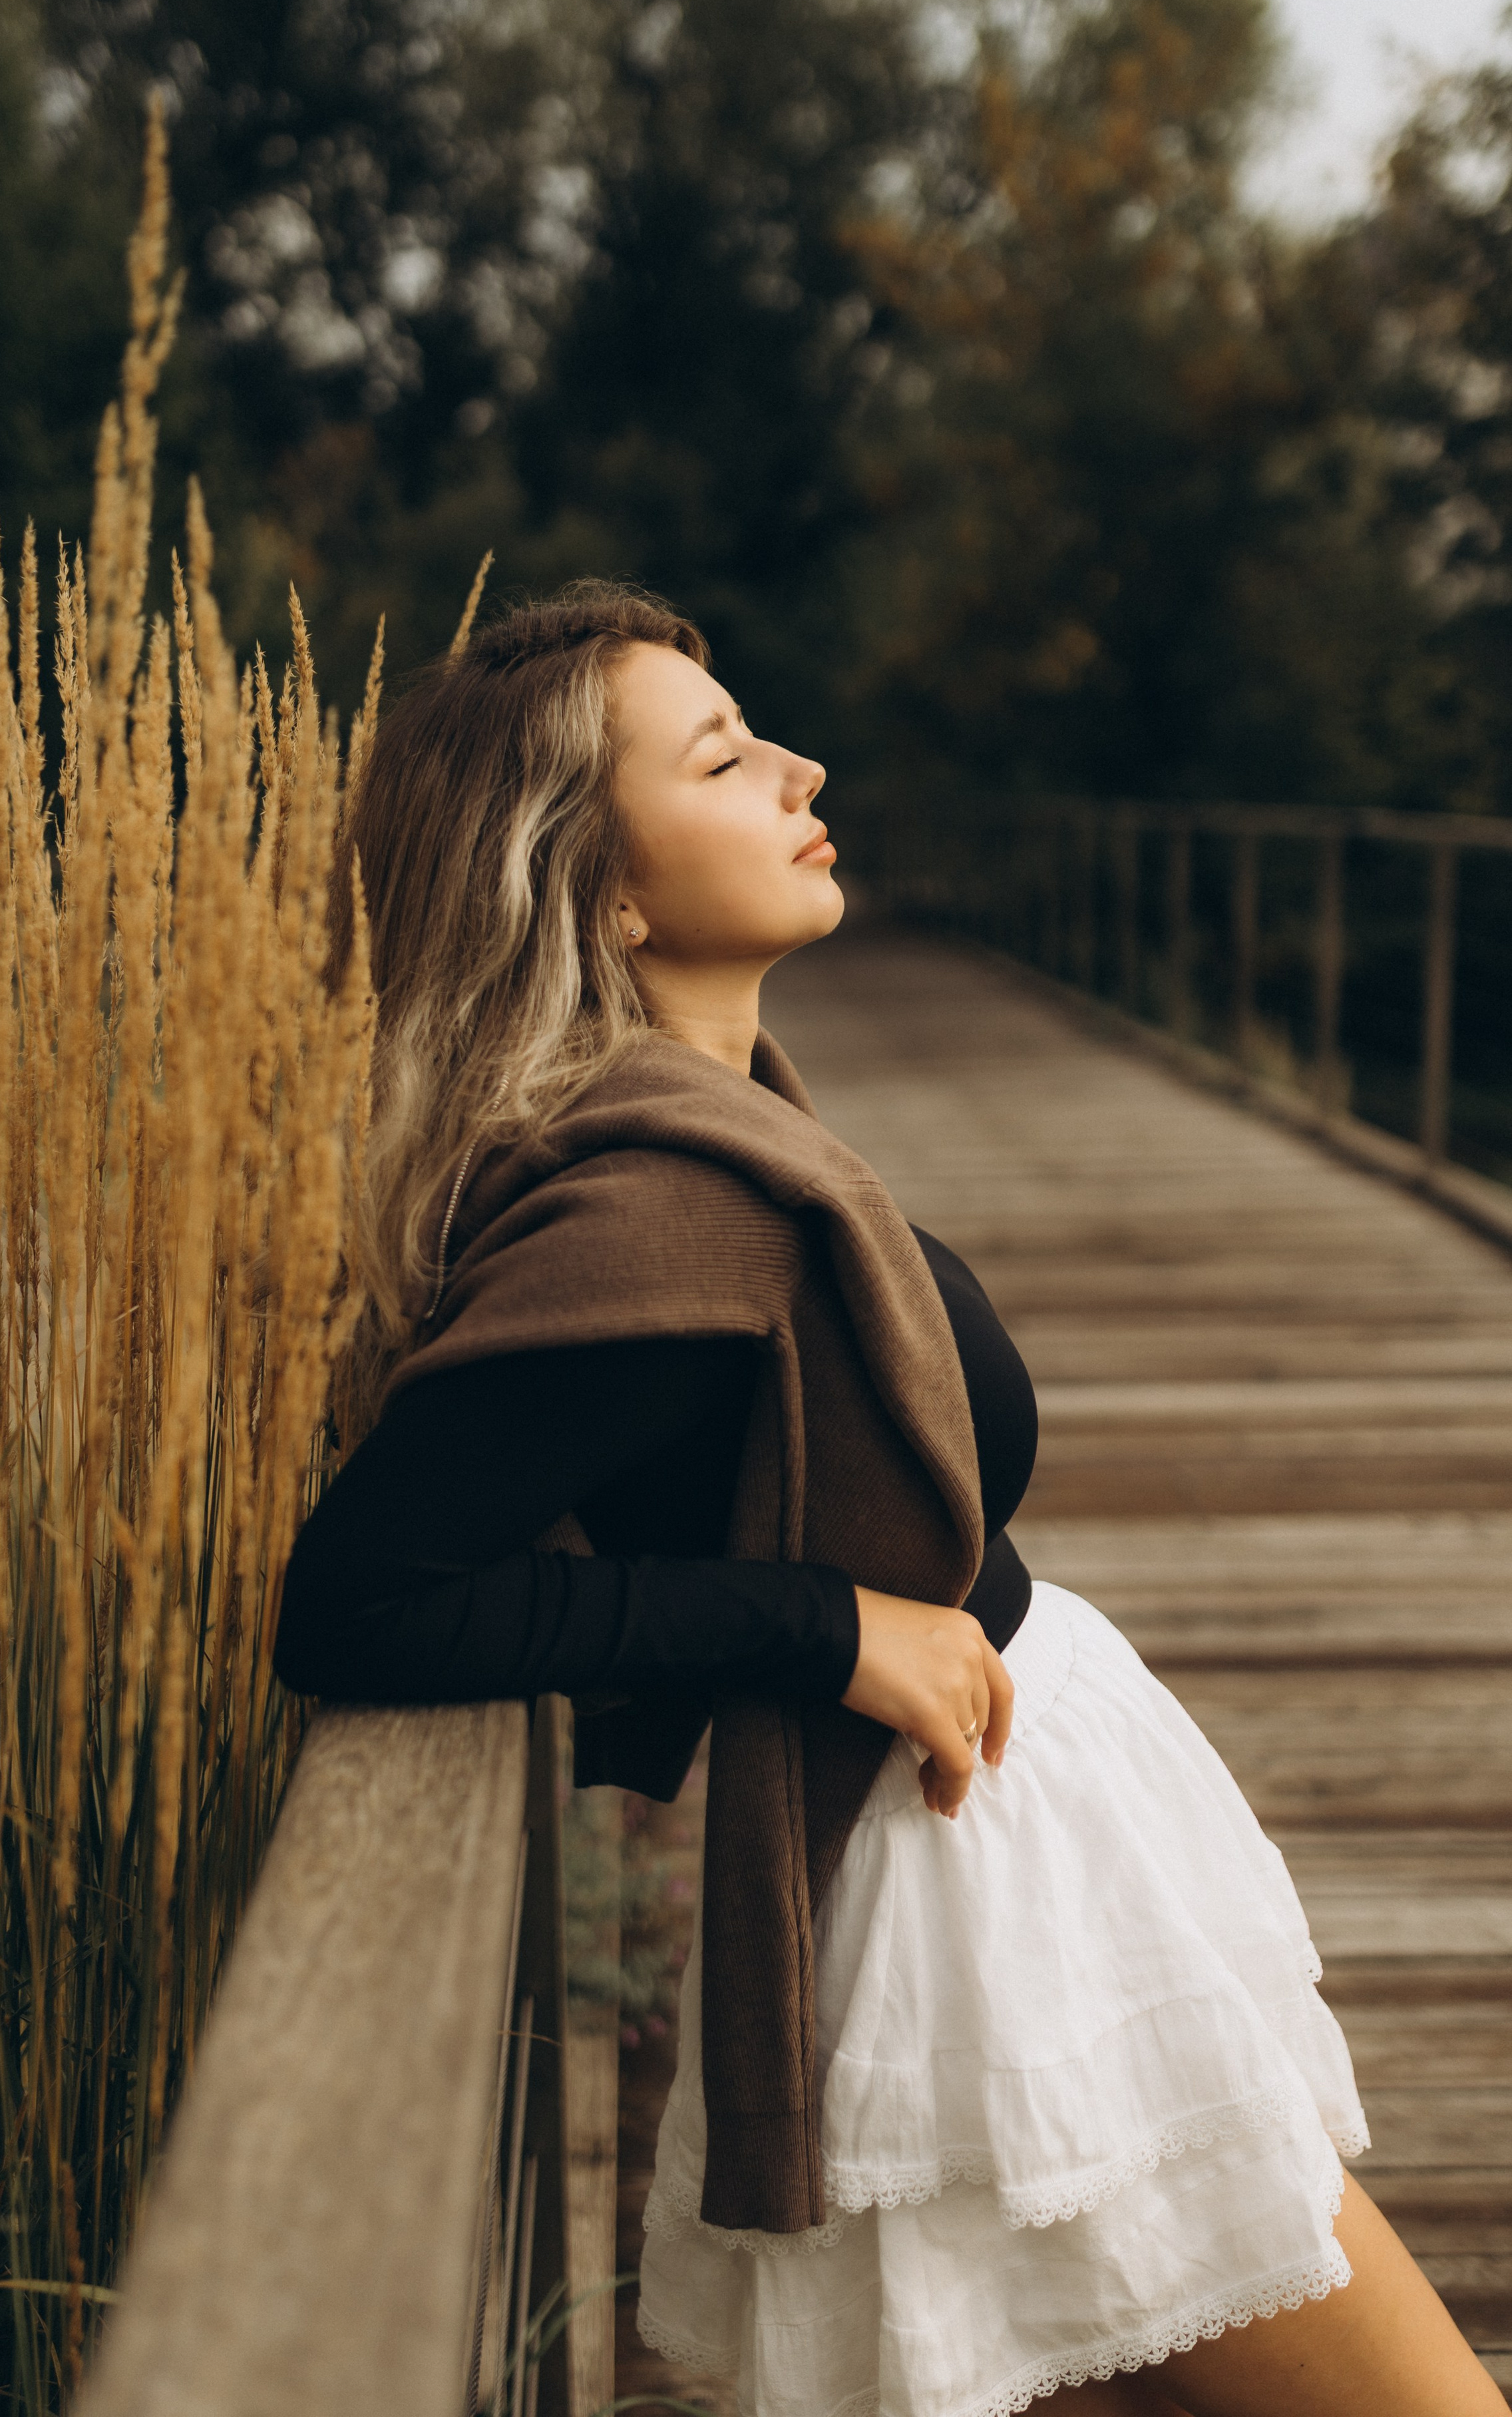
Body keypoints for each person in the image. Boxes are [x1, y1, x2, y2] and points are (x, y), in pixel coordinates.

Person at [275, 582, 1499, 2417]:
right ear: (603, 890)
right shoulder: (648, 1214)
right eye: (721, 759)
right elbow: (362, 1603)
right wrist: (824, 1627)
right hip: (976, 1913)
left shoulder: (716, 1128)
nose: (802, 769)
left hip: (1013, 1849)